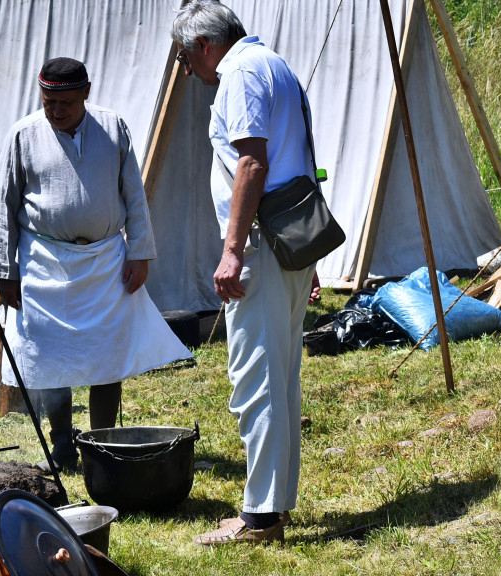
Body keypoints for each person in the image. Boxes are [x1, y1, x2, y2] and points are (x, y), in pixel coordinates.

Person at [0, 57, 191, 474]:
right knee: (50, 355)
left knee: (107, 354)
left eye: (65, 102)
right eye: (48, 101)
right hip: (44, 263)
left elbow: (133, 194)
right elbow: (4, 206)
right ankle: (62, 446)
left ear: (86, 92)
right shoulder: (23, 135)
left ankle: (103, 445)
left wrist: (140, 252)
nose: (56, 110)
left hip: (104, 263)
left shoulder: (112, 128)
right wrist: (6, 270)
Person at [172, 0, 321, 546]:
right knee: (280, 376)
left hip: (263, 247)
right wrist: (306, 252)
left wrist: (232, 250)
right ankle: (273, 505)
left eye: (185, 58)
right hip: (287, 243)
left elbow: (253, 162)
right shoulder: (276, 64)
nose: (188, 70)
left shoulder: (239, 74)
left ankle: (259, 516)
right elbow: (298, 158)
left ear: (204, 46)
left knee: (257, 380)